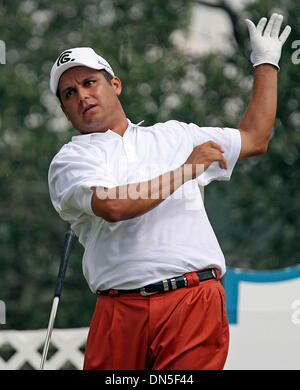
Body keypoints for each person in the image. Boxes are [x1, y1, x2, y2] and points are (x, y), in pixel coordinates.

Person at [48, 13, 291, 370]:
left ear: (114, 85)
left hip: (192, 302)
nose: (82, 95)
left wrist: (266, 63)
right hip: (120, 310)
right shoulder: (71, 159)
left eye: (89, 82)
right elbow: (114, 206)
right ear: (65, 110)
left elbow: (255, 139)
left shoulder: (176, 135)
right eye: (70, 93)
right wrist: (188, 169)